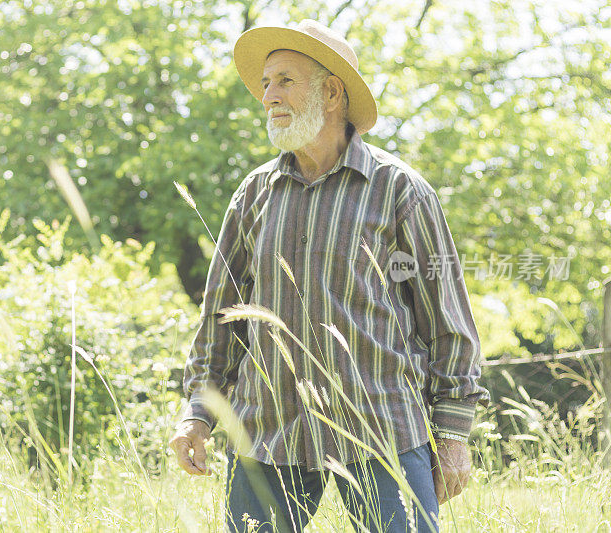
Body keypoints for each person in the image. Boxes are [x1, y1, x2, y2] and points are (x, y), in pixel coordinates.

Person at [169, 19, 490, 533]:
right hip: (268, 434)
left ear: (332, 92)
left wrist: (452, 435)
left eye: (284, 81)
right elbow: (220, 318)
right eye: (266, 83)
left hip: (381, 430)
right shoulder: (253, 195)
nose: (267, 95)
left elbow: (448, 322)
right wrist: (198, 413)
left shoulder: (399, 191)